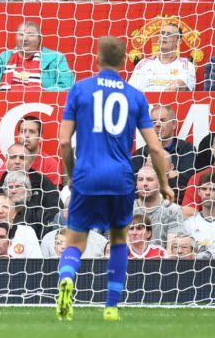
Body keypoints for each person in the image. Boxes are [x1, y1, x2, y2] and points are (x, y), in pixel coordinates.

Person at [56, 36, 175, 322]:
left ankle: (68, 279)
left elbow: (63, 143)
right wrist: (164, 182)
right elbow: (156, 148)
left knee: (75, 242)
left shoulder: (80, 89)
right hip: (120, 178)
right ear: (124, 61)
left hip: (87, 176)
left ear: (97, 58)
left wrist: (72, 176)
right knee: (119, 240)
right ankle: (111, 307)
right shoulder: (136, 96)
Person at [0, 21, 74, 92]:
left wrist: (40, 95)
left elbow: (67, 85)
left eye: (30, 35)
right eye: (21, 35)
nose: (25, 38)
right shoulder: (2, 58)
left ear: (39, 39)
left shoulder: (56, 58)